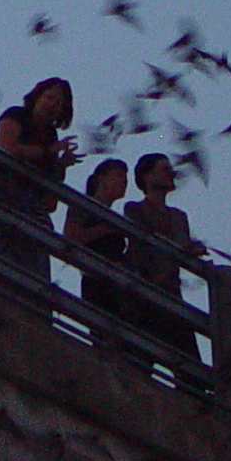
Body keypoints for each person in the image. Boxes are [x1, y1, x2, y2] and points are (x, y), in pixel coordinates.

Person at [0, 77, 80, 293]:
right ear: (37, 97)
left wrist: (60, 166)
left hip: (31, 210)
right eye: (49, 97)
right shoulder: (17, 116)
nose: (53, 104)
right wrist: (48, 153)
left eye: (59, 103)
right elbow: (6, 148)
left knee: (34, 270)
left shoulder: (51, 136)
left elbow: (50, 202)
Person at [125, 151, 203, 376]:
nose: (171, 173)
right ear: (148, 177)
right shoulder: (134, 209)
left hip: (171, 293)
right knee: (139, 363)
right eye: (163, 169)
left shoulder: (179, 217)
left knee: (190, 368)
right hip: (144, 293)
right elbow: (143, 246)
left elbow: (180, 251)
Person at [62, 158, 137, 343]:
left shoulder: (115, 217)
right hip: (95, 282)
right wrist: (105, 230)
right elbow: (70, 237)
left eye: (125, 177)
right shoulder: (83, 205)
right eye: (118, 176)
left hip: (117, 285)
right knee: (104, 339)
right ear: (101, 178)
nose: (124, 182)